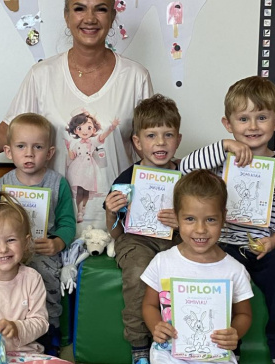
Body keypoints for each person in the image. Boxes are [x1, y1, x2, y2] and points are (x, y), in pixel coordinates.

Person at [0, 0, 153, 231]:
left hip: (117, 229)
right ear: (66, 15)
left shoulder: (136, 77)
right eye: (79, 8)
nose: (89, 19)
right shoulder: (42, 75)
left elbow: (154, 148)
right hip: (51, 231)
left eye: (100, 9)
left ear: (112, 16)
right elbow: (6, 133)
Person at [179, 76, 275, 364]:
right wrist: (225, 146)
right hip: (225, 243)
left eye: (262, 117)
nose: (253, 126)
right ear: (228, 123)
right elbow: (185, 167)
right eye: (243, 119)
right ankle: (227, 346)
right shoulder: (221, 160)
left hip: (268, 245)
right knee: (218, 279)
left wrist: (274, 241)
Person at [141, 170, 253, 364]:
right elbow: (149, 305)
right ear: (176, 217)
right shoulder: (162, 261)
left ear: (223, 217)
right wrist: (156, 326)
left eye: (210, 219)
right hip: (168, 355)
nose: (200, 229)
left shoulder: (234, 270)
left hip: (216, 356)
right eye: (190, 219)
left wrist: (234, 332)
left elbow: (244, 314)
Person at [103, 94, 183, 364]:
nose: (160, 142)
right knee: (138, 272)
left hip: (175, 239)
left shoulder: (186, 176)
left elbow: (200, 224)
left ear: (178, 140)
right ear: (137, 142)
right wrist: (111, 211)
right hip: (136, 240)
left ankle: (182, 339)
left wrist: (183, 222)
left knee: (187, 269)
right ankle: (139, 344)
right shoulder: (127, 179)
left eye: (168, 135)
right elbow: (116, 234)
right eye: (151, 136)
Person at [0, 192, 72, 364]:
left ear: (25, 242)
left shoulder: (32, 278)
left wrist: (17, 327)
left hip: (24, 352)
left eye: (11, 240)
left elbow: (41, 323)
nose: (3, 249)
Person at [0, 113, 76, 355]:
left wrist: (57, 243)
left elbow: (67, 222)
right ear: (8, 152)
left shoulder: (57, 183)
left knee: (47, 274)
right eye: (21, 146)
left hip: (42, 248)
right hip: (8, 249)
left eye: (37, 147)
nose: (29, 154)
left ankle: (50, 331)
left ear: (49, 153)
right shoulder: (1, 186)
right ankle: (5, 329)